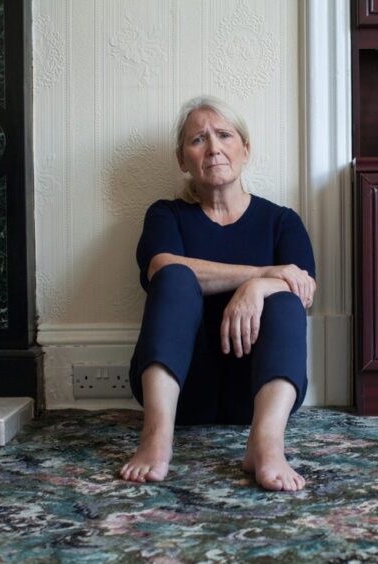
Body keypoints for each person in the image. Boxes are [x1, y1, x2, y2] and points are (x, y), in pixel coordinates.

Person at [119, 96, 316, 492]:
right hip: (183, 390)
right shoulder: (166, 214)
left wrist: (258, 289)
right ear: (181, 159)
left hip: (257, 393)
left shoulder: (281, 221)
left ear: (245, 148)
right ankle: (156, 439)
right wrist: (260, 272)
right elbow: (159, 267)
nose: (213, 148)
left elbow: (304, 288)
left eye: (224, 135)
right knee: (175, 275)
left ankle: (266, 445)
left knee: (283, 297)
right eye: (198, 140)